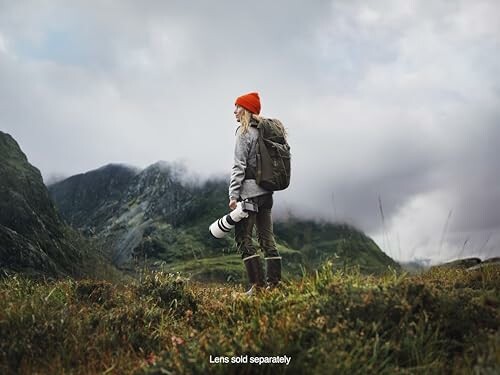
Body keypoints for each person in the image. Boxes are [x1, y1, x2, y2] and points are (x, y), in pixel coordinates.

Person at [229, 92, 282, 295]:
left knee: (243, 238)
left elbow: (239, 166)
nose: (234, 111)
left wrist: (233, 195)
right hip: (267, 194)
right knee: (267, 240)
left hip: (249, 194)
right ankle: (275, 286)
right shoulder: (266, 132)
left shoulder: (244, 133)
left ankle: (258, 288)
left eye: (238, 107)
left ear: (247, 110)